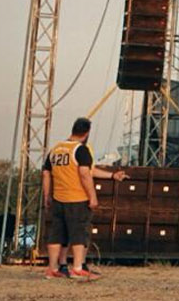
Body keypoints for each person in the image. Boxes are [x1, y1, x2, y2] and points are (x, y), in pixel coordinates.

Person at [41, 118, 128, 280]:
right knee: (79, 234)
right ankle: (77, 268)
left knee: (57, 235)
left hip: (58, 198)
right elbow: (85, 174)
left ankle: (52, 269)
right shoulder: (81, 150)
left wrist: (47, 195)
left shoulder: (56, 149)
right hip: (77, 198)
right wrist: (92, 197)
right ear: (87, 132)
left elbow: (46, 173)